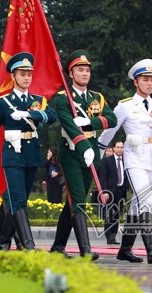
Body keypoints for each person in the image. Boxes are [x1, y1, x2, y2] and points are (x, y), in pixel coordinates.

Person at [0, 52, 57, 250]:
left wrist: (29, 113)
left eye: (29, 74)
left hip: (32, 155)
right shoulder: (3, 103)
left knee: (19, 199)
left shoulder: (38, 100)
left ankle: (1, 241)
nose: (27, 77)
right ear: (13, 76)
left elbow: (51, 116)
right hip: (12, 155)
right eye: (22, 73)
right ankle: (28, 244)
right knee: (17, 198)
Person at [98, 58, 152, 264]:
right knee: (145, 199)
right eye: (145, 79)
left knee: (136, 205)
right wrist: (96, 153)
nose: (149, 83)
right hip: (134, 159)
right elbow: (109, 133)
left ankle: (124, 250)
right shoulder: (125, 106)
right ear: (136, 82)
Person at [49, 50, 117, 260]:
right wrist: (83, 146)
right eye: (80, 70)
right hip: (72, 155)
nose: (85, 73)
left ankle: (58, 246)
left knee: (73, 201)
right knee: (78, 200)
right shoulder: (62, 99)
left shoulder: (97, 97)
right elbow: (69, 127)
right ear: (70, 73)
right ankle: (85, 249)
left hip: (92, 155)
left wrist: (90, 123)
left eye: (87, 70)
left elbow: (111, 119)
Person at [98, 141, 126, 245]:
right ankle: (109, 236)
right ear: (114, 148)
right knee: (109, 214)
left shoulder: (126, 161)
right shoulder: (107, 160)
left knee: (117, 214)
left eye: (121, 147)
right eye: (118, 147)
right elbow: (103, 177)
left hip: (121, 191)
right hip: (109, 192)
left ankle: (113, 236)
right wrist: (104, 191)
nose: (120, 149)